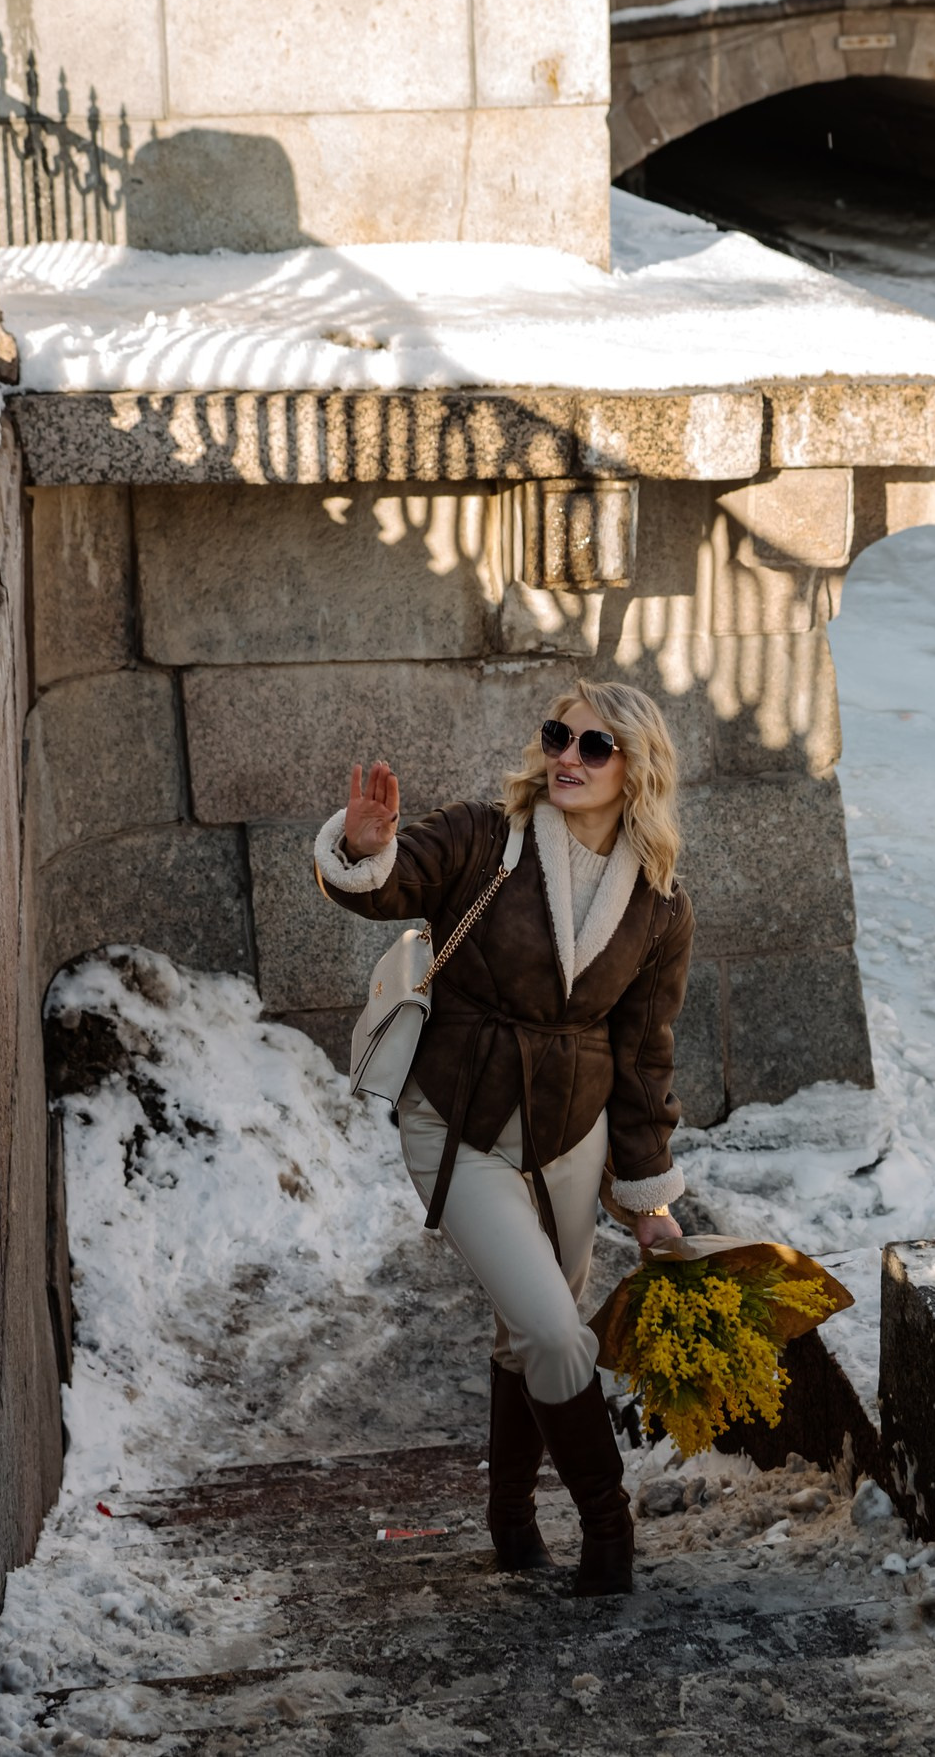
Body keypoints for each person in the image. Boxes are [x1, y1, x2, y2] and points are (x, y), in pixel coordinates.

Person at [314, 679, 694, 1596]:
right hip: (460, 1124)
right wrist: (364, 847)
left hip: (574, 1138)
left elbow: (643, 1059)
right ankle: (609, 1529)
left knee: (528, 1329)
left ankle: (513, 1522)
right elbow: (391, 881)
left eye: (594, 746)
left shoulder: (660, 905)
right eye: (559, 735)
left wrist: (648, 1199)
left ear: (637, 770)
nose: (568, 757)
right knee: (558, 1335)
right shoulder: (485, 838)